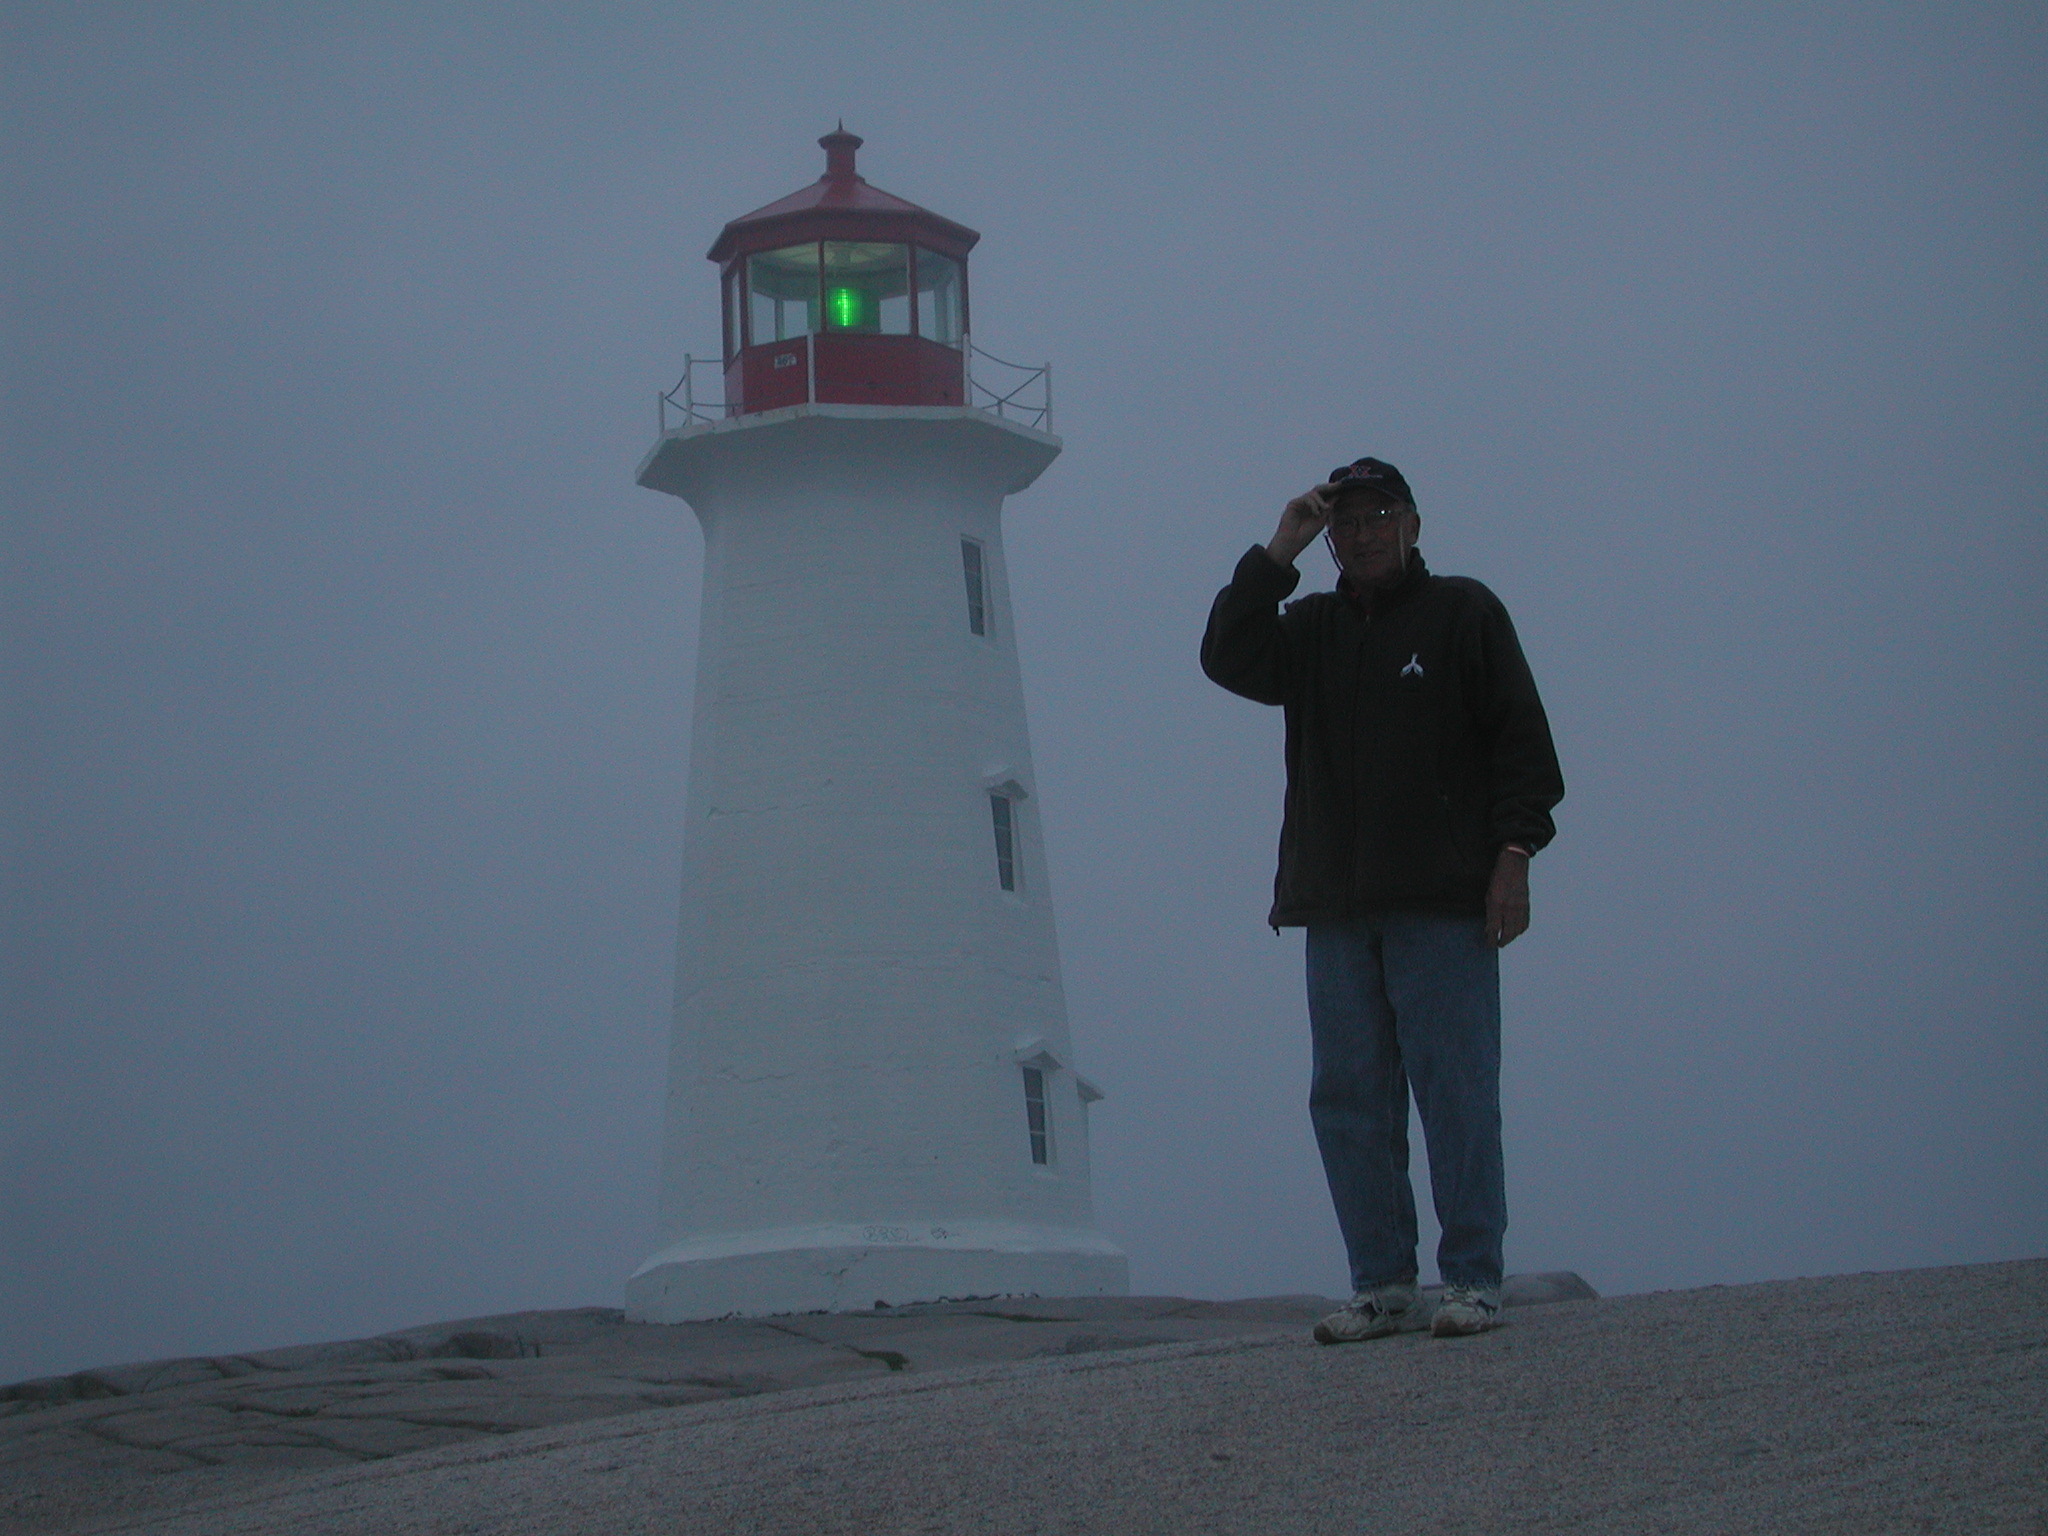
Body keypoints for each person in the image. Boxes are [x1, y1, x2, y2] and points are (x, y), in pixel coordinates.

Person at [1200, 456, 1563, 1341]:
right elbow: (1225, 654)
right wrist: (1278, 547)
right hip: (1336, 906)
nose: (1362, 534)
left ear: (1413, 526)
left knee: (1456, 1090)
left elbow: (1524, 742)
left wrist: (1513, 855)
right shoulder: (1313, 628)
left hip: (1443, 901)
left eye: (1379, 517)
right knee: (1348, 1097)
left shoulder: (1463, 612)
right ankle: (1384, 1285)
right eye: (1345, 522)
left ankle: (1473, 1278)